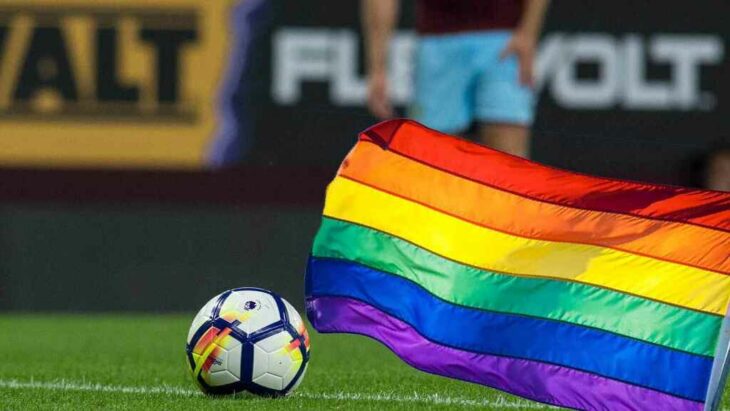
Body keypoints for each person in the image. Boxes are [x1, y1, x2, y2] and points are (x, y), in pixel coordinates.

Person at [362, 0, 550, 158]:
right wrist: (377, 67)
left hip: (503, 42)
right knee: (433, 161)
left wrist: (528, 32)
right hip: (439, 43)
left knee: (510, 166)